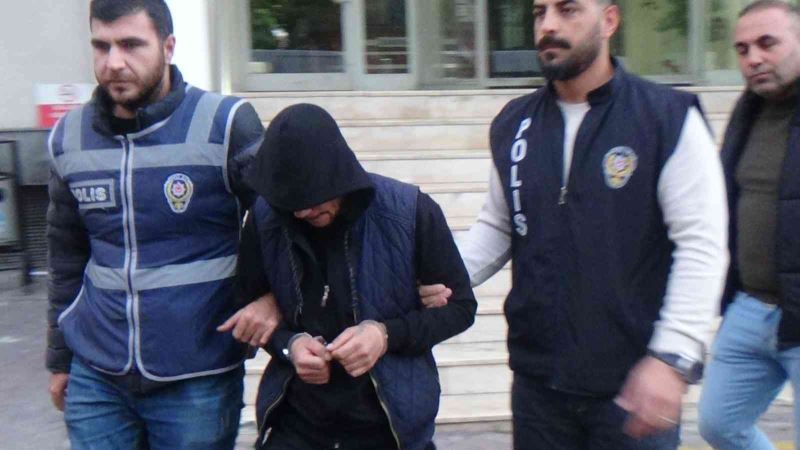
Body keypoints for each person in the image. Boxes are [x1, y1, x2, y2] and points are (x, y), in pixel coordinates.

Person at [421, 0, 729, 448]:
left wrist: (671, 359)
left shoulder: (668, 117)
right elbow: (499, 225)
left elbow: (701, 246)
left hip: (633, 389)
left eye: (567, 10)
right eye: (539, 12)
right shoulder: (514, 123)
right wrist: (445, 276)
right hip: (538, 387)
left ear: (609, 21)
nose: (548, 25)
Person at [45, 1, 279, 448]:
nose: (114, 62)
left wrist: (273, 298)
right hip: (97, 376)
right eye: (101, 46)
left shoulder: (225, 124)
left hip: (198, 374)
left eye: (131, 45)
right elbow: (66, 256)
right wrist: (59, 359)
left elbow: (286, 223)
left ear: (168, 47)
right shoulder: (68, 138)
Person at [237, 103, 477, 450]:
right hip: (296, 423)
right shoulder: (266, 219)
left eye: (314, 199)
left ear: (339, 177)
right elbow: (252, 313)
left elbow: (461, 308)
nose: (303, 212)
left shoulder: (410, 212)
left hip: (388, 427)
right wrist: (290, 345)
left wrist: (384, 335)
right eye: (293, 205)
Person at [697, 2, 800, 449]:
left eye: (767, 43)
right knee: (718, 424)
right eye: (742, 49)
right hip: (751, 307)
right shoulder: (748, 111)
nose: (753, 58)